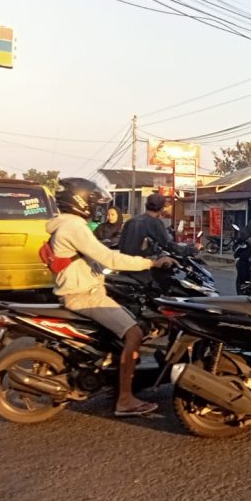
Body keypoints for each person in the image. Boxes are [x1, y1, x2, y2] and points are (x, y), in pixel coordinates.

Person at [47, 178, 175, 417]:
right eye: (93, 202)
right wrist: (152, 263)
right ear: (80, 201)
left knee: (128, 323)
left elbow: (103, 256)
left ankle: (114, 378)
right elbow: (110, 259)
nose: (97, 208)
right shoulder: (74, 227)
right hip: (84, 295)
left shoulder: (66, 225)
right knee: (134, 333)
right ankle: (125, 400)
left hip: (85, 290)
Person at [117, 193, 197, 258]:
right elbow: (167, 244)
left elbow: (121, 244)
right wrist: (190, 249)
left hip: (124, 263)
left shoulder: (131, 221)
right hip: (141, 266)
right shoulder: (155, 223)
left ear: (146, 206)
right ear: (161, 209)